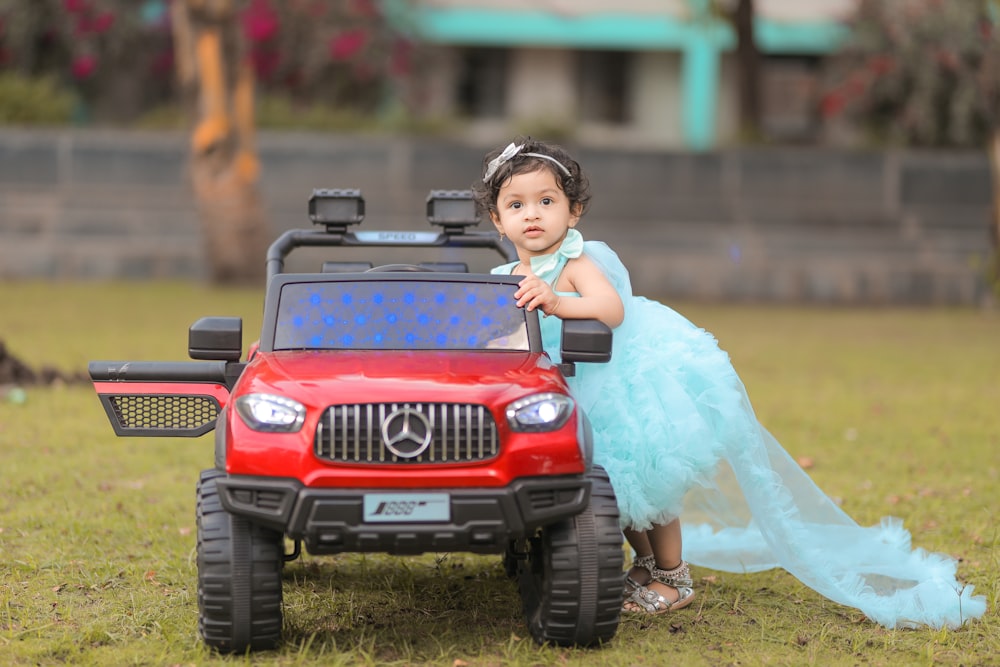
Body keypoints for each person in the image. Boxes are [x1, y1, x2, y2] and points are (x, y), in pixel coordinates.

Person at [471, 137, 987, 627]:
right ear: (498, 219)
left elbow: (612, 310)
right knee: (619, 491)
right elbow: (505, 337)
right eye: (516, 205)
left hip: (617, 382)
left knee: (648, 480)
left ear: (573, 210)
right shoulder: (502, 280)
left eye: (546, 200)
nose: (533, 214)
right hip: (565, 390)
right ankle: (644, 566)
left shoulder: (577, 263)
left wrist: (557, 300)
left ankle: (674, 576)